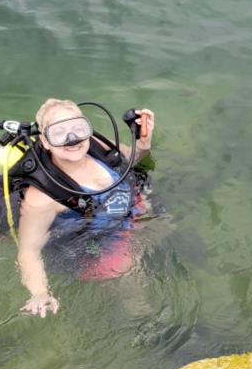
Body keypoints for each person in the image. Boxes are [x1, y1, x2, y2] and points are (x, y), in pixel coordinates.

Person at [14, 99, 155, 317]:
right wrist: (40, 293)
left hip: (130, 213)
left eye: (77, 128)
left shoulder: (99, 147)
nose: (72, 139)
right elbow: (28, 251)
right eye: (59, 133)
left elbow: (131, 159)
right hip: (96, 242)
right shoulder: (42, 198)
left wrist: (144, 144)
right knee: (133, 276)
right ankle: (148, 325)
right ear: (45, 141)